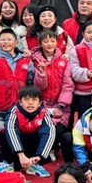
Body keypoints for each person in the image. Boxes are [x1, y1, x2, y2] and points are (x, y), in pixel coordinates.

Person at [0, 28, 32, 156]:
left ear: (15, 42)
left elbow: (31, 81)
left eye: (9, 39)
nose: (6, 42)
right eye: (2, 40)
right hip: (0, 102)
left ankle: (16, 153)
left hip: (20, 102)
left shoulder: (25, 60)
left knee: (19, 128)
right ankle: (0, 153)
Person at [31, 30, 74, 163]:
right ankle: (43, 150)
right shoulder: (34, 61)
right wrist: (42, 74)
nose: (49, 44)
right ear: (40, 43)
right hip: (42, 104)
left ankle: (54, 149)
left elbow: (67, 85)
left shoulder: (64, 61)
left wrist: (61, 106)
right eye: (46, 41)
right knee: (42, 128)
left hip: (60, 104)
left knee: (59, 130)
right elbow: (38, 87)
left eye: (52, 41)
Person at [0, 86, 55, 176]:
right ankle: (7, 163)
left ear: (39, 103)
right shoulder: (13, 111)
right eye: (26, 99)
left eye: (34, 100)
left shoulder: (45, 113)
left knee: (45, 134)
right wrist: (20, 154)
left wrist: (40, 156)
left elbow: (49, 134)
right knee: (6, 133)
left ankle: (34, 164)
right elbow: (11, 131)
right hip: (15, 150)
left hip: (32, 149)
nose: (30, 103)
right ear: (20, 102)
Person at [69, 21, 92, 125]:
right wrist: (86, 73)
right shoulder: (76, 49)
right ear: (83, 34)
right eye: (89, 32)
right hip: (83, 93)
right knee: (85, 120)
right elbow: (73, 69)